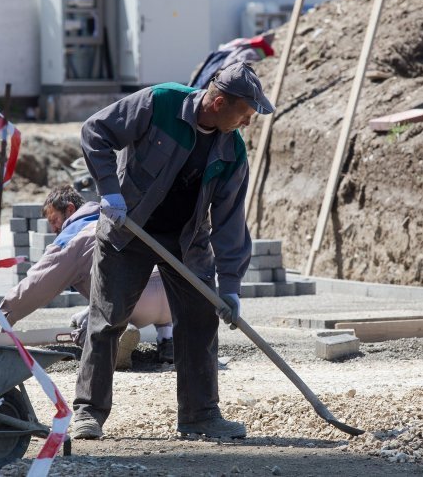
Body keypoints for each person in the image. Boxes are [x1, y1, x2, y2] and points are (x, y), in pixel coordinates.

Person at [72, 61, 274, 440]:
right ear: (219, 103)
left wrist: (229, 286)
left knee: (200, 321)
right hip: (128, 230)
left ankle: (200, 416)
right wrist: (109, 190)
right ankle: (88, 413)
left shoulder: (232, 153)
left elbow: (230, 221)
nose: (247, 123)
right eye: (245, 113)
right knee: (107, 319)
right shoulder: (159, 103)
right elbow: (95, 131)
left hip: (186, 242)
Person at [0, 185, 175, 369]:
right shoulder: (116, 219)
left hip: (133, 303)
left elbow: (37, 284)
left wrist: (1, 317)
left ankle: (117, 337)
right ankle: (168, 341)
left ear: (70, 209)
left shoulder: (73, 236)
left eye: (54, 220)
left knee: (85, 322)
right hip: (171, 297)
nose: (54, 229)